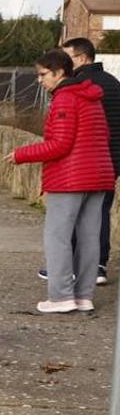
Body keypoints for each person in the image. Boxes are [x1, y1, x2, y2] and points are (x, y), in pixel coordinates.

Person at [9, 49, 114, 313]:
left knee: (58, 237)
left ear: (59, 72)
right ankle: (83, 296)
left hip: (70, 178)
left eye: (43, 74)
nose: (40, 80)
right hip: (99, 175)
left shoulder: (65, 99)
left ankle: (61, 296)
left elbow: (60, 145)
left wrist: (21, 154)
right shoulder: (91, 97)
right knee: (89, 238)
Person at [62, 37, 120, 284]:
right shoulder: (115, 84)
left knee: (72, 213)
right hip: (113, 161)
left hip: (84, 161)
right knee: (100, 212)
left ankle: (73, 266)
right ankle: (98, 266)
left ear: (82, 58)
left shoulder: (77, 85)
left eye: (68, 58)